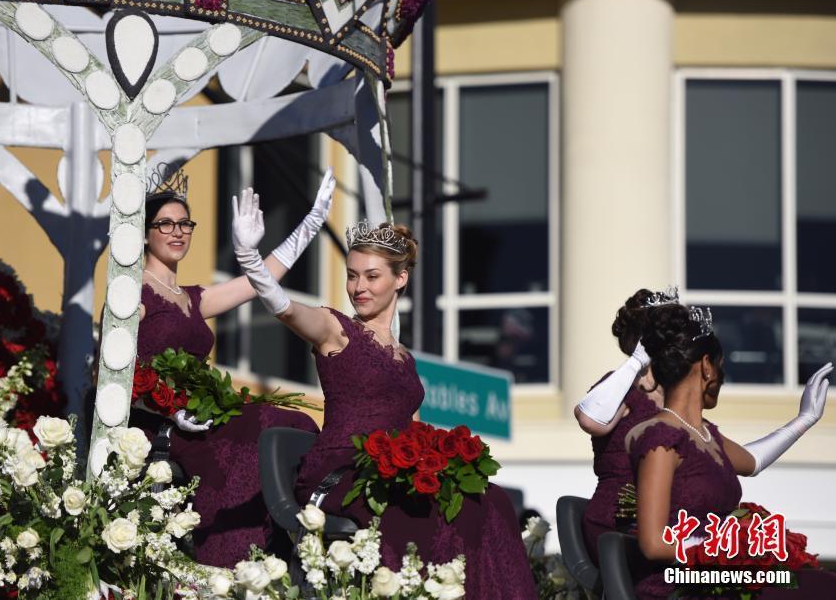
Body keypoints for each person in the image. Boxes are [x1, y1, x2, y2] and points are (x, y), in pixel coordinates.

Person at [232, 209, 538, 599]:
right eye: (353, 275)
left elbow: (413, 430)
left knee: (490, 501)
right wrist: (249, 260)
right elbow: (285, 308)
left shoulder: (405, 358)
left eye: (372, 276)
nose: (359, 286)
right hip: (346, 470)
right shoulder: (336, 329)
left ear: (400, 279)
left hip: (396, 470)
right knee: (420, 514)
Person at [129, 167, 336, 567]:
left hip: (205, 415)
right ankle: (226, 559)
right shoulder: (132, 294)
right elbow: (106, 372)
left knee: (292, 423)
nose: (178, 232)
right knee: (253, 434)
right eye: (165, 224)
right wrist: (167, 409)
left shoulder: (192, 297)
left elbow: (262, 280)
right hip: (163, 422)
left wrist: (310, 224)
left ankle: (289, 541)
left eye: (184, 223)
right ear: (144, 232)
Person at [624, 302, 834, 599]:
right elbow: (653, 544)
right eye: (722, 367)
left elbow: (754, 460)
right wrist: (734, 552)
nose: (722, 377)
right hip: (680, 586)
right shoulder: (662, 437)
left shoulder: (705, 434)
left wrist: (804, 421)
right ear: (707, 366)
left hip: (721, 577)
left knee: (818, 584)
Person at [573, 288, 671, 565]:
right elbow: (589, 420)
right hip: (618, 523)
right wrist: (637, 361)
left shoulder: (675, 390)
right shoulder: (619, 386)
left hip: (667, 522)